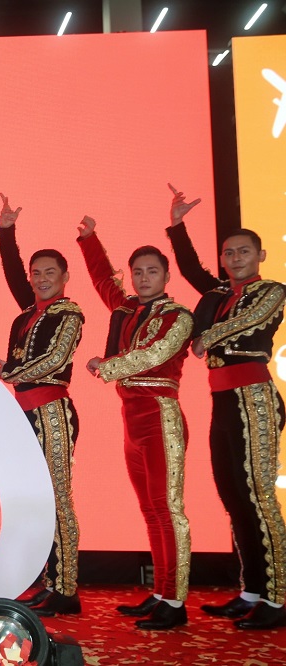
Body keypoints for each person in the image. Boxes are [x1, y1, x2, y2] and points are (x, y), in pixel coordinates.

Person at [165, 184, 286, 630]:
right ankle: (252, 589)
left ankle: (278, 598)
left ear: (260, 255)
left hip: (254, 395)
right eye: (228, 253)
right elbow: (191, 270)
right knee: (234, 496)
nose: (235, 259)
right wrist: (177, 226)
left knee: (258, 497)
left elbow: (246, 323)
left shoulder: (272, 290)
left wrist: (205, 338)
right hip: (222, 397)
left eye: (243, 251)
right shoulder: (218, 293)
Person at [78, 215, 193, 630]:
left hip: (160, 414)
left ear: (166, 275)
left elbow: (153, 355)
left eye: (152, 271)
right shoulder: (127, 309)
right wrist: (90, 239)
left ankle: (175, 602)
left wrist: (104, 366)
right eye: (138, 272)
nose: (144, 279)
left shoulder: (178, 316)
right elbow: (103, 282)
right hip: (132, 416)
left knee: (169, 509)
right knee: (150, 509)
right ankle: (161, 592)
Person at [0, 195, 83, 618]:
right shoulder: (30, 312)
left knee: (59, 497)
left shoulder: (70, 314)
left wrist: (6, 375)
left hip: (51, 412)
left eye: (51, 272)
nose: (42, 278)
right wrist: (6, 234)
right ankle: (50, 582)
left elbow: (54, 360)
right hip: (25, 412)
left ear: (66, 276)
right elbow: (12, 273)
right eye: (37, 273)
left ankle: (67, 589)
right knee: (38, 499)